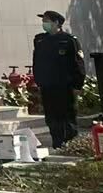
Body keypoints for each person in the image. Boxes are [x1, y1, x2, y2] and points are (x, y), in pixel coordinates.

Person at [32, 10, 86, 150]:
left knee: (67, 116)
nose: (44, 23)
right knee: (51, 117)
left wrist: (78, 85)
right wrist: (38, 81)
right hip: (47, 86)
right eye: (43, 21)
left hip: (65, 86)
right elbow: (37, 62)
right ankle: (57, 143)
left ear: (56, 23)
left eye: (47, 21)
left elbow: (78, 64)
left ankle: (71, 145)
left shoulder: (69, 40)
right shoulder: (40, 40)